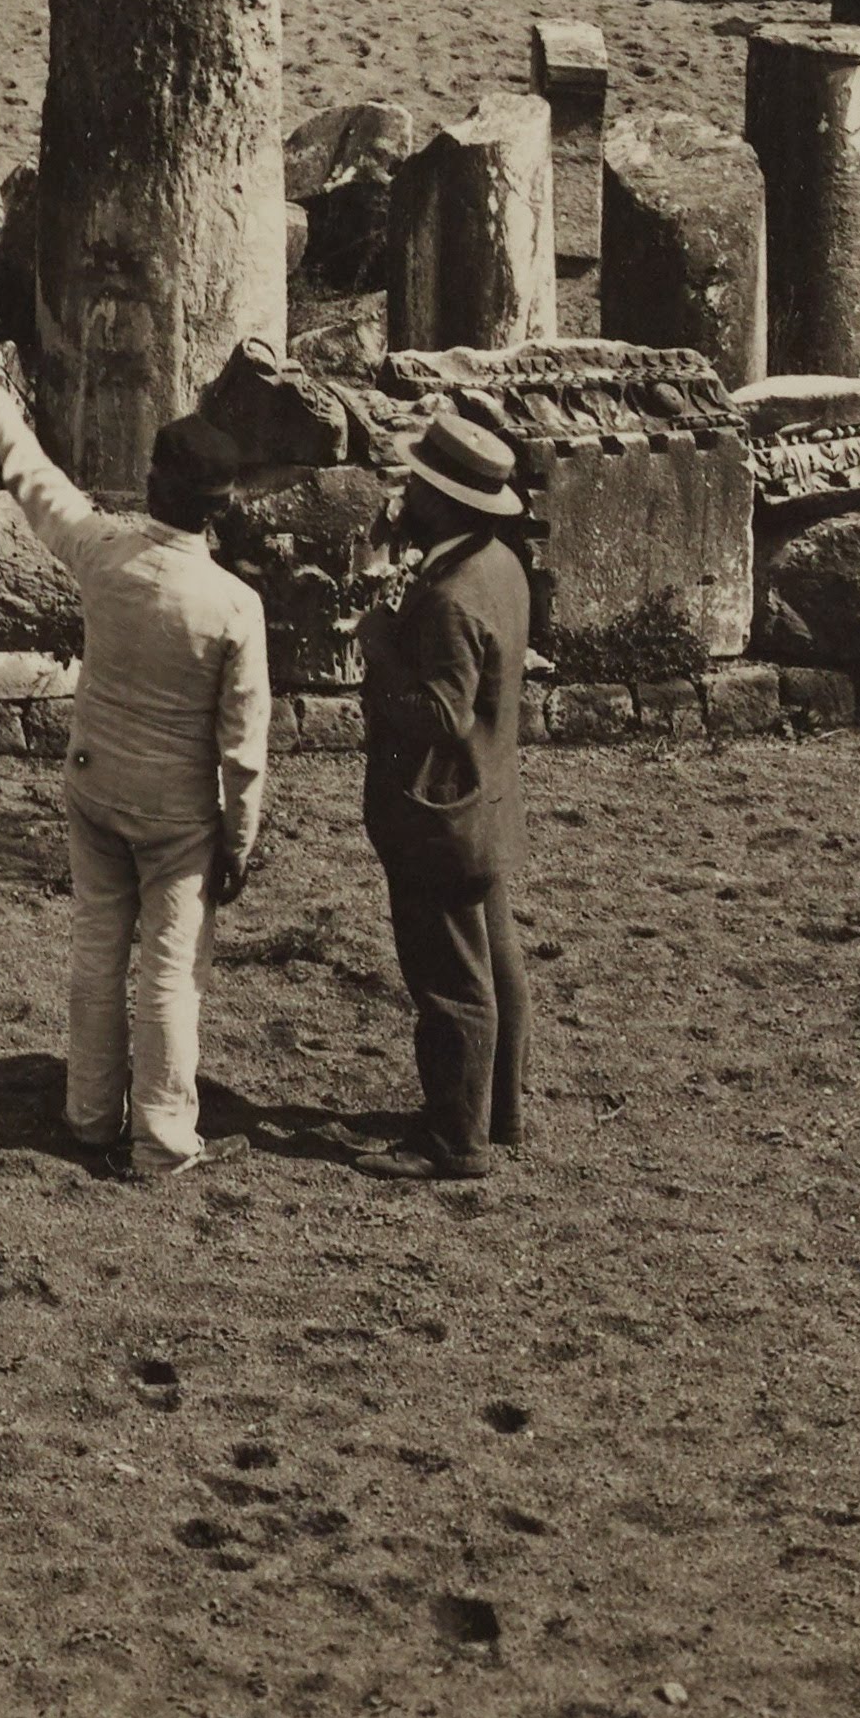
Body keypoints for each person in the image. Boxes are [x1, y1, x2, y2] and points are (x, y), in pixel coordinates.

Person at [0, 335, 271, 1186]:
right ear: (220, 506)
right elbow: (241, 749)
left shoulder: (103, 554)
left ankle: (90, 1112)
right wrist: (238, 841)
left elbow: (35, 481)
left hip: (94, 785)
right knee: (170, 973)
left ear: (151, 484)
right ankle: (161, 1135)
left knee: (97, 950)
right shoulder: (233, 605)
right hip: (178, 814)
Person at [359, 413, 540, 1182]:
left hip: (440, 814)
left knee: (449, 981)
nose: (404, 496)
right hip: (488, 804)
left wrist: (377, 648)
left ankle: (453, 1139)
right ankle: (499, 1111)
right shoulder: (496, 563)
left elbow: (438, 712)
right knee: (495, 963)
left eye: (417, 488)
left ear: (445, 503)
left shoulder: (450, 596)